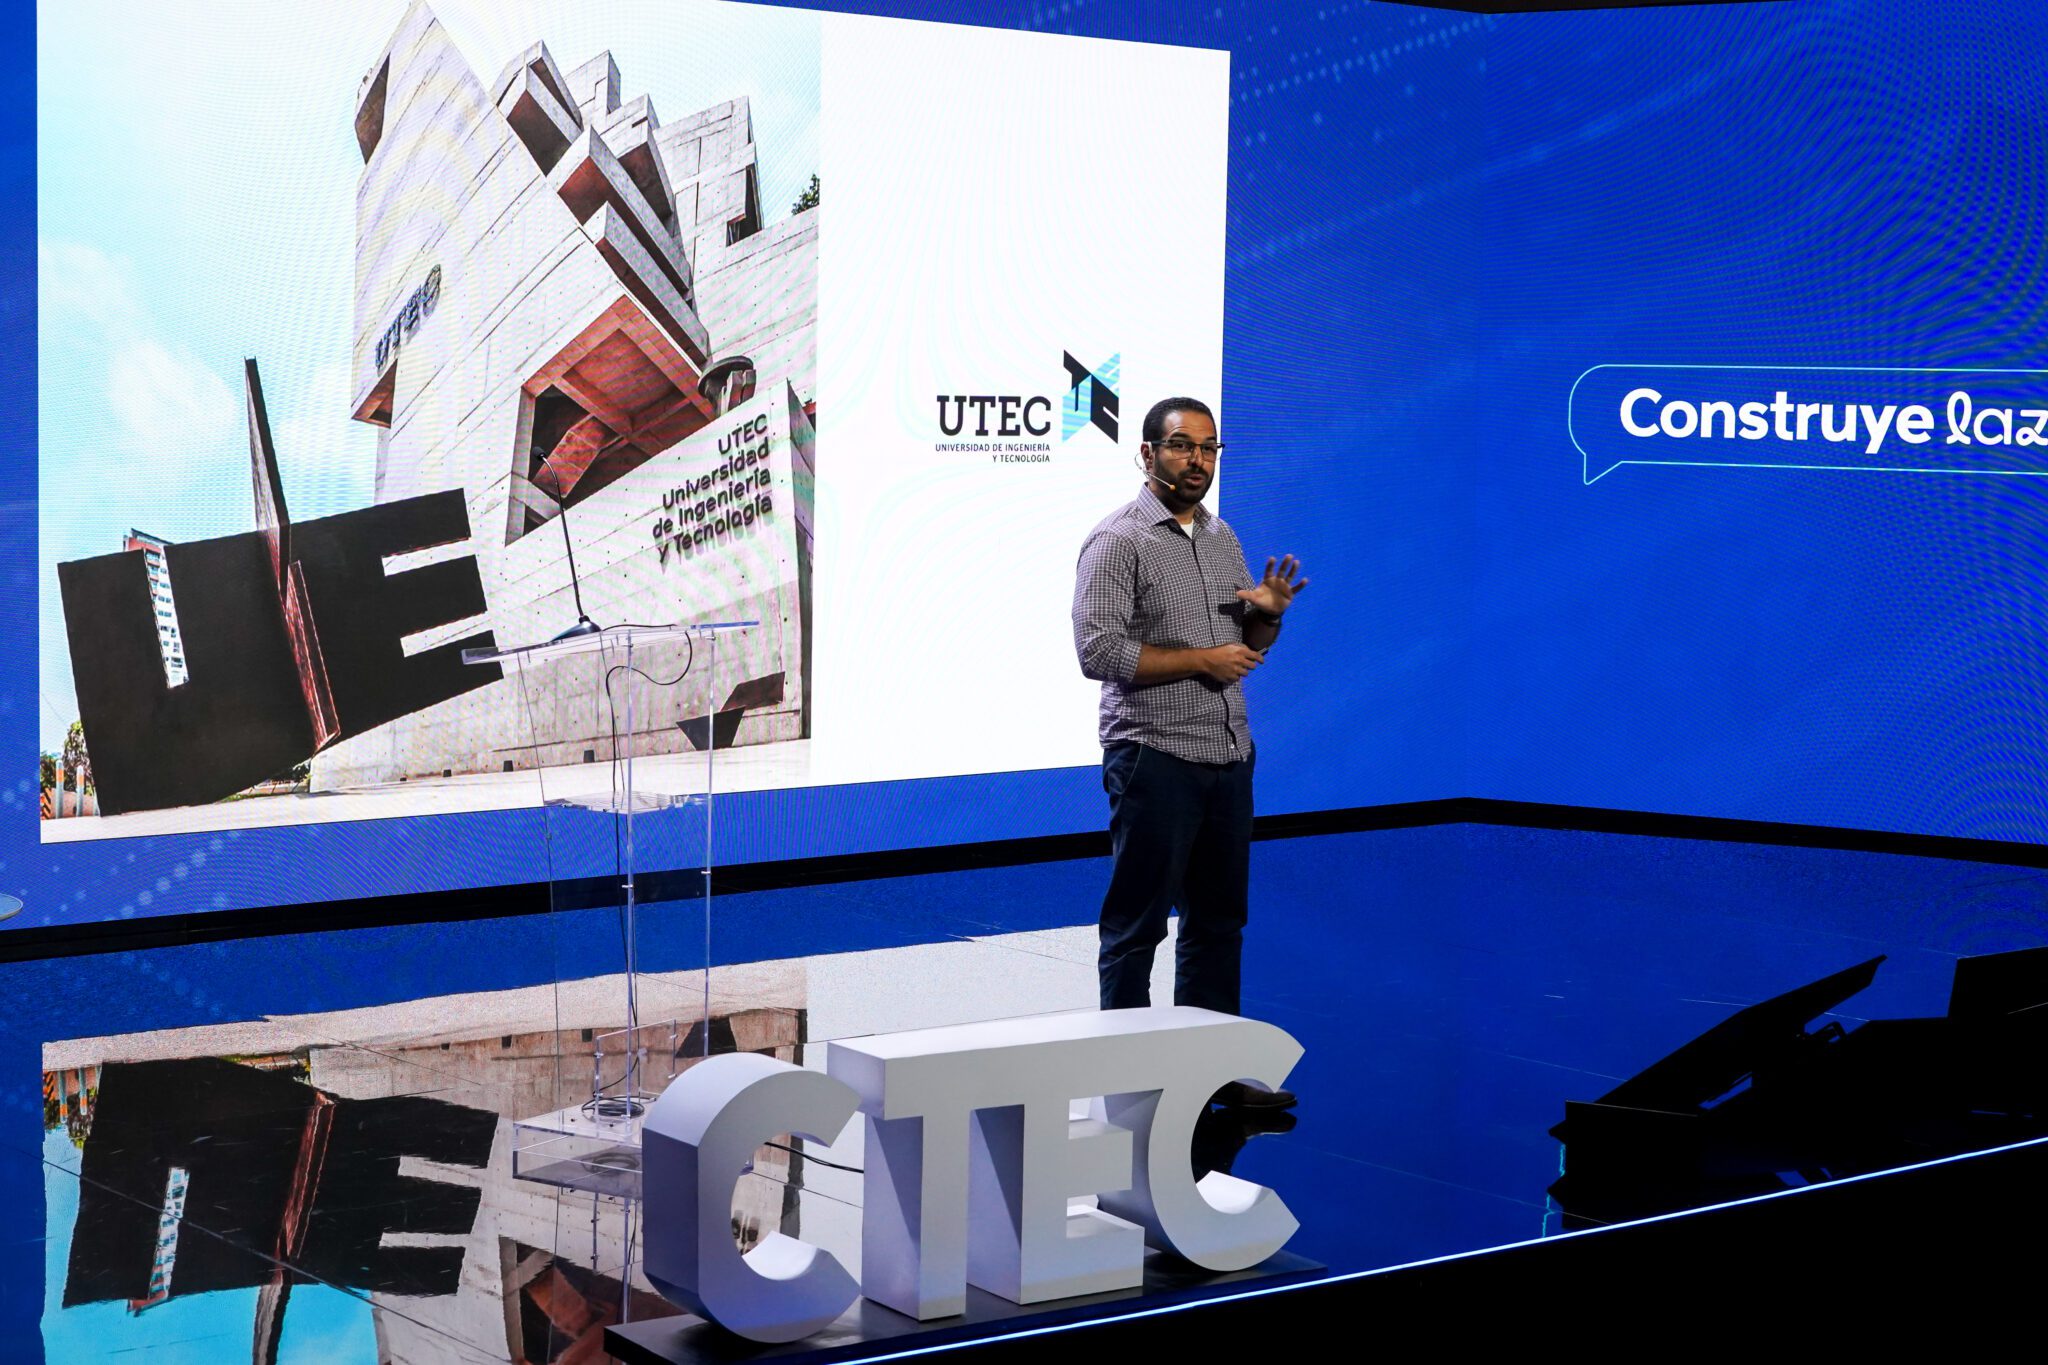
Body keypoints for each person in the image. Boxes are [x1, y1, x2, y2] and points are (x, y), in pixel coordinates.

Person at [1071, 396, 1306, 1108]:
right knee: (1137, 925)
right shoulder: (1118, 541)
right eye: (1181, 446)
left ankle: (1214, 1074)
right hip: (1154, 752)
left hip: (1228, 753)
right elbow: (1098, 652)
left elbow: (1243, 651)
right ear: (1148, 454)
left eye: (1208, 448)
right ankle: (1127, 1079)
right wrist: (1204, 659)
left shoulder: (1221, 535)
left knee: (1218, 922)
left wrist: (1267, 620)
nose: (1197, 461)